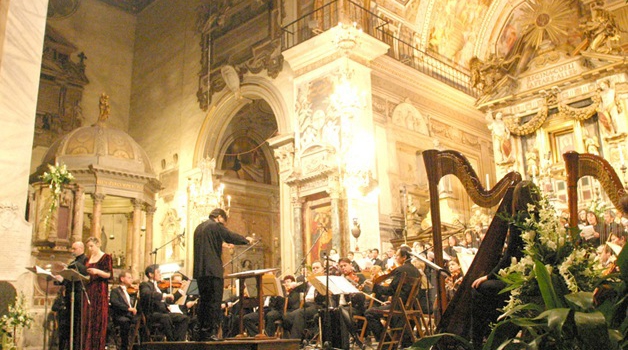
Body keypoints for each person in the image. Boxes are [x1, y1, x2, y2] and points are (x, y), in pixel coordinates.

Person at [470, 180, 541, 349]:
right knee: (492, 291)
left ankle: (479, 343)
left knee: (479, 290)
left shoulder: (520, 218)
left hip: (522, 282)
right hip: (537, 279)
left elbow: (509, 256)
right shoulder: (542, 218)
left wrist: (488, 275)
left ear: (517, 198)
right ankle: (498, 335)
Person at [193, 208, 252, 341]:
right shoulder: (215, 225)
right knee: (214, 302)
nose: (223, 225)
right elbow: (229, 235)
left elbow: (209, 245)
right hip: (213, 271)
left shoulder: (198, 228)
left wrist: (223, 245)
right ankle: (210, 333)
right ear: (219, 217)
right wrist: (246, 240)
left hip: (200, 272)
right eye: (223, 222)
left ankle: (200, 333)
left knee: (203, 302)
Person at [365, 246, 419, 346]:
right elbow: (403, 291)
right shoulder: (416, 270)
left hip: (400, 307)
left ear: (404, 257)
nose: (395, 258)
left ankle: (386, 344)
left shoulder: (401, 269)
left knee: (369, 313)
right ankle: (392, 343)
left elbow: (390, 290)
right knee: (385, 313)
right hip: (409, 305)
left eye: (397, 255)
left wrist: (374, 287)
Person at [140, 264, 190, 341]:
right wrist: (164, 295)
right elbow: (147, 294)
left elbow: (168, 300)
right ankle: (170, 342)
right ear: (150, 274)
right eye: (158, 272)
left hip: (164, 312)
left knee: (183, 318)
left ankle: (178, 342)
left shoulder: (158, 287)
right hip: (153, 313)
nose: (160, 274)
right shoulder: (145, 285)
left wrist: (180, 291)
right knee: (165, 317)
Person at [54, 241, 88, 350]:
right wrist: (61, 280)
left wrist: (71, 268)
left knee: (76, 323)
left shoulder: (85, 261)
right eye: (72, 249)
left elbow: (84, 275)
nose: (72, 251)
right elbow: (69, 279)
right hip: (70, 295)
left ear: (81, 248)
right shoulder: (74, 262)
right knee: (67, 323)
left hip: (78, 295)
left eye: (74, 249)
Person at [83, 237, 112, 350]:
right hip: (90, 288)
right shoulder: (89, 258)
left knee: (98, 317)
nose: (90, 249)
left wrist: (97, 272)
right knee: (88, 316)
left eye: (92, 246)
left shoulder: (106, 257)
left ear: (98, 244)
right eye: (88, 247)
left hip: (99, 289)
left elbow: (109, 274)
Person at [109, 270, 139, 350]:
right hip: (120, 315)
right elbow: (114, 302)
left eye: (131, 278)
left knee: (141, 321)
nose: (131, 280)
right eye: (129, 278)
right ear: (122, 279)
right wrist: (128, 308)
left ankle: (136, 345)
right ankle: (124, 347)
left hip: (130, 315)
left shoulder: (129, 292)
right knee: (125, 322)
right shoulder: (115, 291)